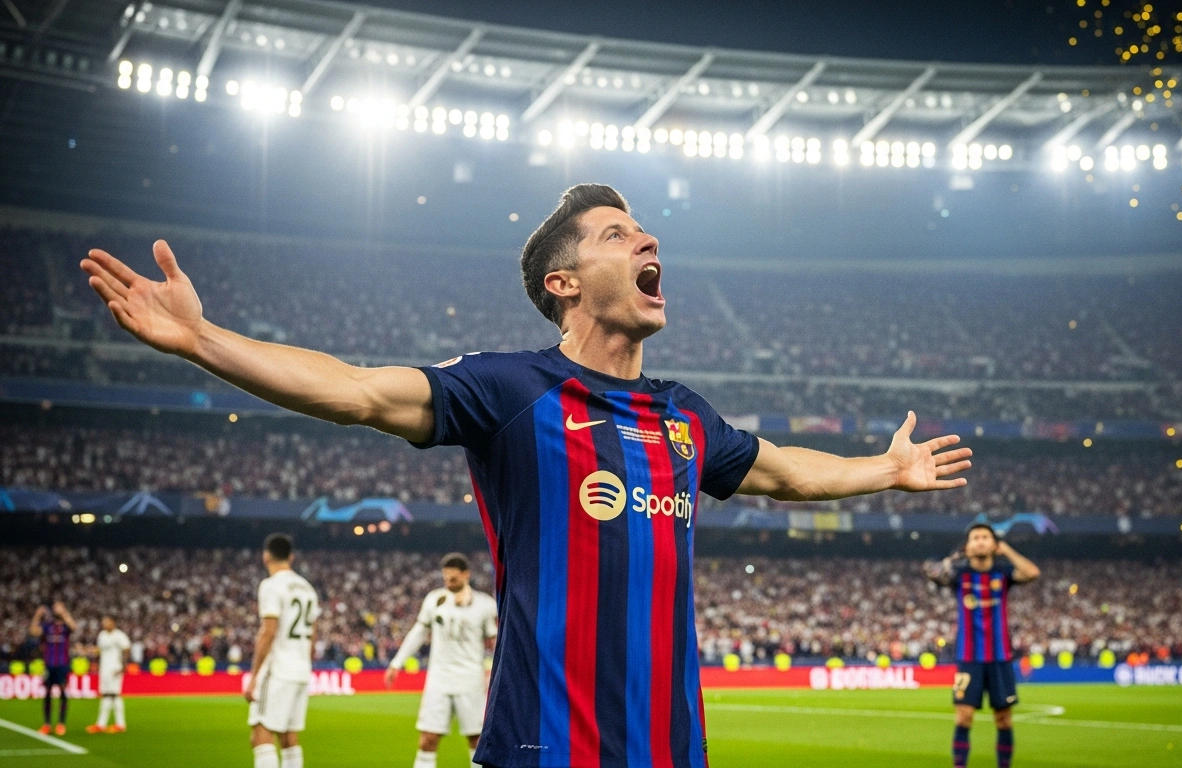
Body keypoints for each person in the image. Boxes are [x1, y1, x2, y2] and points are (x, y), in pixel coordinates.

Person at [81, 183, 972, 768]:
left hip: (674, 750)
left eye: (644, 230)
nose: (647, 237)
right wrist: (203, 341)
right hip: (539, 749)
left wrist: (884, 470)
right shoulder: (513, 389)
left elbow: (786, 474)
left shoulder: (684, 415)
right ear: (566, 281)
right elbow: (356, 392)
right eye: (618, 234)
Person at [925, 523, 1040, 768]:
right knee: (964, 717)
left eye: (985, 537)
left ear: (994, 544)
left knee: (1004, 720)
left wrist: (1006, 550)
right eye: (975, 538)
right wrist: (952, 559)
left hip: (1000, 658)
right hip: (968, 658)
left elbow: (1032, 573)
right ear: (968, 545)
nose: (980, 541)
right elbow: (932, 573)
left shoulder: (1004, 573)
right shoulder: (959, 575)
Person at [386, 553, 498, 768]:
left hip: (470, 679)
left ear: (466, 575)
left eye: (453, 578)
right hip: (439, 679)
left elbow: (495, 642)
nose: (448, 582)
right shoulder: (434, 599)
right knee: (428, 739)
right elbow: (418, 632)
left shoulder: (485, 604)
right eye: (446, 577)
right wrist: (396, 663)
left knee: (476, 740)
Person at [244, 534, 319, 768]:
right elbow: (313, 636)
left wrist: (255, 676)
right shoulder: (308, 588)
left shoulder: (271, 585)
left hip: (279, 669)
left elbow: (268, 631)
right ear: (291, 557)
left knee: (261, 733)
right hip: (300, 670)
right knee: (289, 736)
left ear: (266, 556)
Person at [30, 601, 77, 736]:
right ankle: (47, 724)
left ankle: (61, 724)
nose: (57, 609)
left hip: (62, 664)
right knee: (48, 693)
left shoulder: (65, 627)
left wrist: (64, 613)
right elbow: (33, 632)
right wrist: (37, 615)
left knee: (63, 692)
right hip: (49, 664)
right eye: (56, 607)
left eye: (60, 606)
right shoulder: (48, 626)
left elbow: (74, 627)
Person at [88, 615, 132, 734]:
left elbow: (127, 649)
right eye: (103, 622)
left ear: (113, 622)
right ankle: (101, 724)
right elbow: (100, 650)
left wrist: (123, 666)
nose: (104, 624)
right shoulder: (102, 635)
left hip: (115, 668)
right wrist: (88, 651)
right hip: (105, 669)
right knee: (106, 694)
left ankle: (120, 724)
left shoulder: (119, 635)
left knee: (114, 694)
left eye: (107, 622)